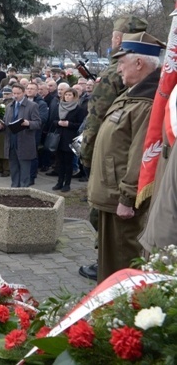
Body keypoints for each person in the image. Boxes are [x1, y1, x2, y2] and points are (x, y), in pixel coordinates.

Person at [88, 31, 164, 283]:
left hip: (121, 201)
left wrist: (128, 197)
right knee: (109, 266)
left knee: (121, 270)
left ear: (139, 63)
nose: (118, 68)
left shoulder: (146, 101)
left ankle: (120, 318)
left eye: (122, 62)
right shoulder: (131, 94)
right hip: (111, 195)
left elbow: (141, 154)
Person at [78, 15, 148, 282]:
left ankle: (108, 263)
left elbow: (95, 118)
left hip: (113, 166)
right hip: (120, 163)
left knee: (107, 221)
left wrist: (86, 155)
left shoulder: (113, 76)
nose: (119, 68)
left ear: (119, 38)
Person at [0, 83, 41, 187]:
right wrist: (1, 125)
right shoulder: (9, 106)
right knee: (14, 168)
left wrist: (28, 123)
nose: (16, 96)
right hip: (11, 141)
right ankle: (14, 188)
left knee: (25, 170)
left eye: (18, 93)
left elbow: (38, 123)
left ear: (24, 92)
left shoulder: (32, 106)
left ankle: (23, 190)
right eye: (14, 93)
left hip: (24, 142)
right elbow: (6, 121)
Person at [50, 88, 86, 192]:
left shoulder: (79, 109)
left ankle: (67, 183)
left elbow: (81, 125)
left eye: (70, 95)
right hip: (58, 138)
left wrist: (69, 124)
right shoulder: (59, 106)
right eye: (66, 95)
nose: (67, 97)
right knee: (59, 162)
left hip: (70, 138)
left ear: (74, 97)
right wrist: (58, 123)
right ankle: (59, 182)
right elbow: (53, 120)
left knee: (68, 163)